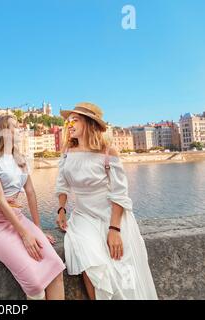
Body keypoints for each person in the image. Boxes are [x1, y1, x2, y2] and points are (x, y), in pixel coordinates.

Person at [55, 102, 158, 300]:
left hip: (112, 217)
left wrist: (115, 230)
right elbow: (62, 185)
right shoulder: (67, 151)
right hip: (83, 216)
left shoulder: (108, 152)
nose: (69, 125)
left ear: (89, 123)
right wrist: (61, 209)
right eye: (68, 121)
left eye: (74, 120)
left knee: (121, 272)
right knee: (89, 260)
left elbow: (120, 194)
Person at [0, 115, 66, 300]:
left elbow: (31, 193)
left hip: (15, 216)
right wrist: (25, 234)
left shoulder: (21, 159)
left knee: (56, 269)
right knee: (35, 286)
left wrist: (38, 229)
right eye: (14, 127)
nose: (19, 130)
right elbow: (1, 201)